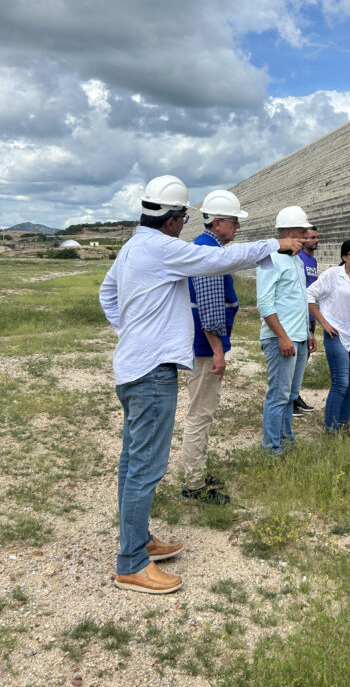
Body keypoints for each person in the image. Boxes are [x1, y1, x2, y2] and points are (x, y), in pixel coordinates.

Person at [99, 175, 301, 594]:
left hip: (134, 365)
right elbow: (218, 261)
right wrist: (272, 245)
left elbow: (107, 295)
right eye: (183, 217)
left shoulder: (133, 247)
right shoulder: (163, 248)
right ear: (174, 219)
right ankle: (131, 563)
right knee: (145, 466)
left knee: (131, 460)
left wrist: (131, 332)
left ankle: (138, 541)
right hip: (152, 371)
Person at [180, 189, 248, 505]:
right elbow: (209, 310)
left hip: (202, 346)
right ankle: (194, 485)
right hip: (204, 349)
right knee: (200, 413)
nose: (237, 227)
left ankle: (198, 473)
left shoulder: (206, 249)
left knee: (203, 411)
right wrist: (218, 353)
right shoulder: (208, 254)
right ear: (218, 222)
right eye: (234, 221)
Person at [256, 206, 317, 455]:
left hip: (299, 338)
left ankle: (286, 439)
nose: (307, 237)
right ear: (290, 232)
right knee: (278, 394)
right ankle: (272, 447)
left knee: (290, 394)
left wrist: (308, 333)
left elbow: (299, 301)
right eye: (303, 233)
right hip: (282, 339)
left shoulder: (296, 261)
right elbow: (265, 303)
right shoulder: (270, 260)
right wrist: (283, 336)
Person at [307, 239, 350, 434]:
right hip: (336, 334)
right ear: (344, 257)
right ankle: (331, 428)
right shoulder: (332, 276)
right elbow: (309, 296)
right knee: (340, 382)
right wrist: (324, 323)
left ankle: (343, 424)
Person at [293, 226, 319, 416]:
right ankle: (290, 399)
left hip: (311, 315)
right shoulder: (299, 259)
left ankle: (296, 395)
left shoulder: (313, 260)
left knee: (304, 358)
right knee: (296, 359)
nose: (315, 240)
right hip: (301, 316)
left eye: (317, 237)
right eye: (311, 237)